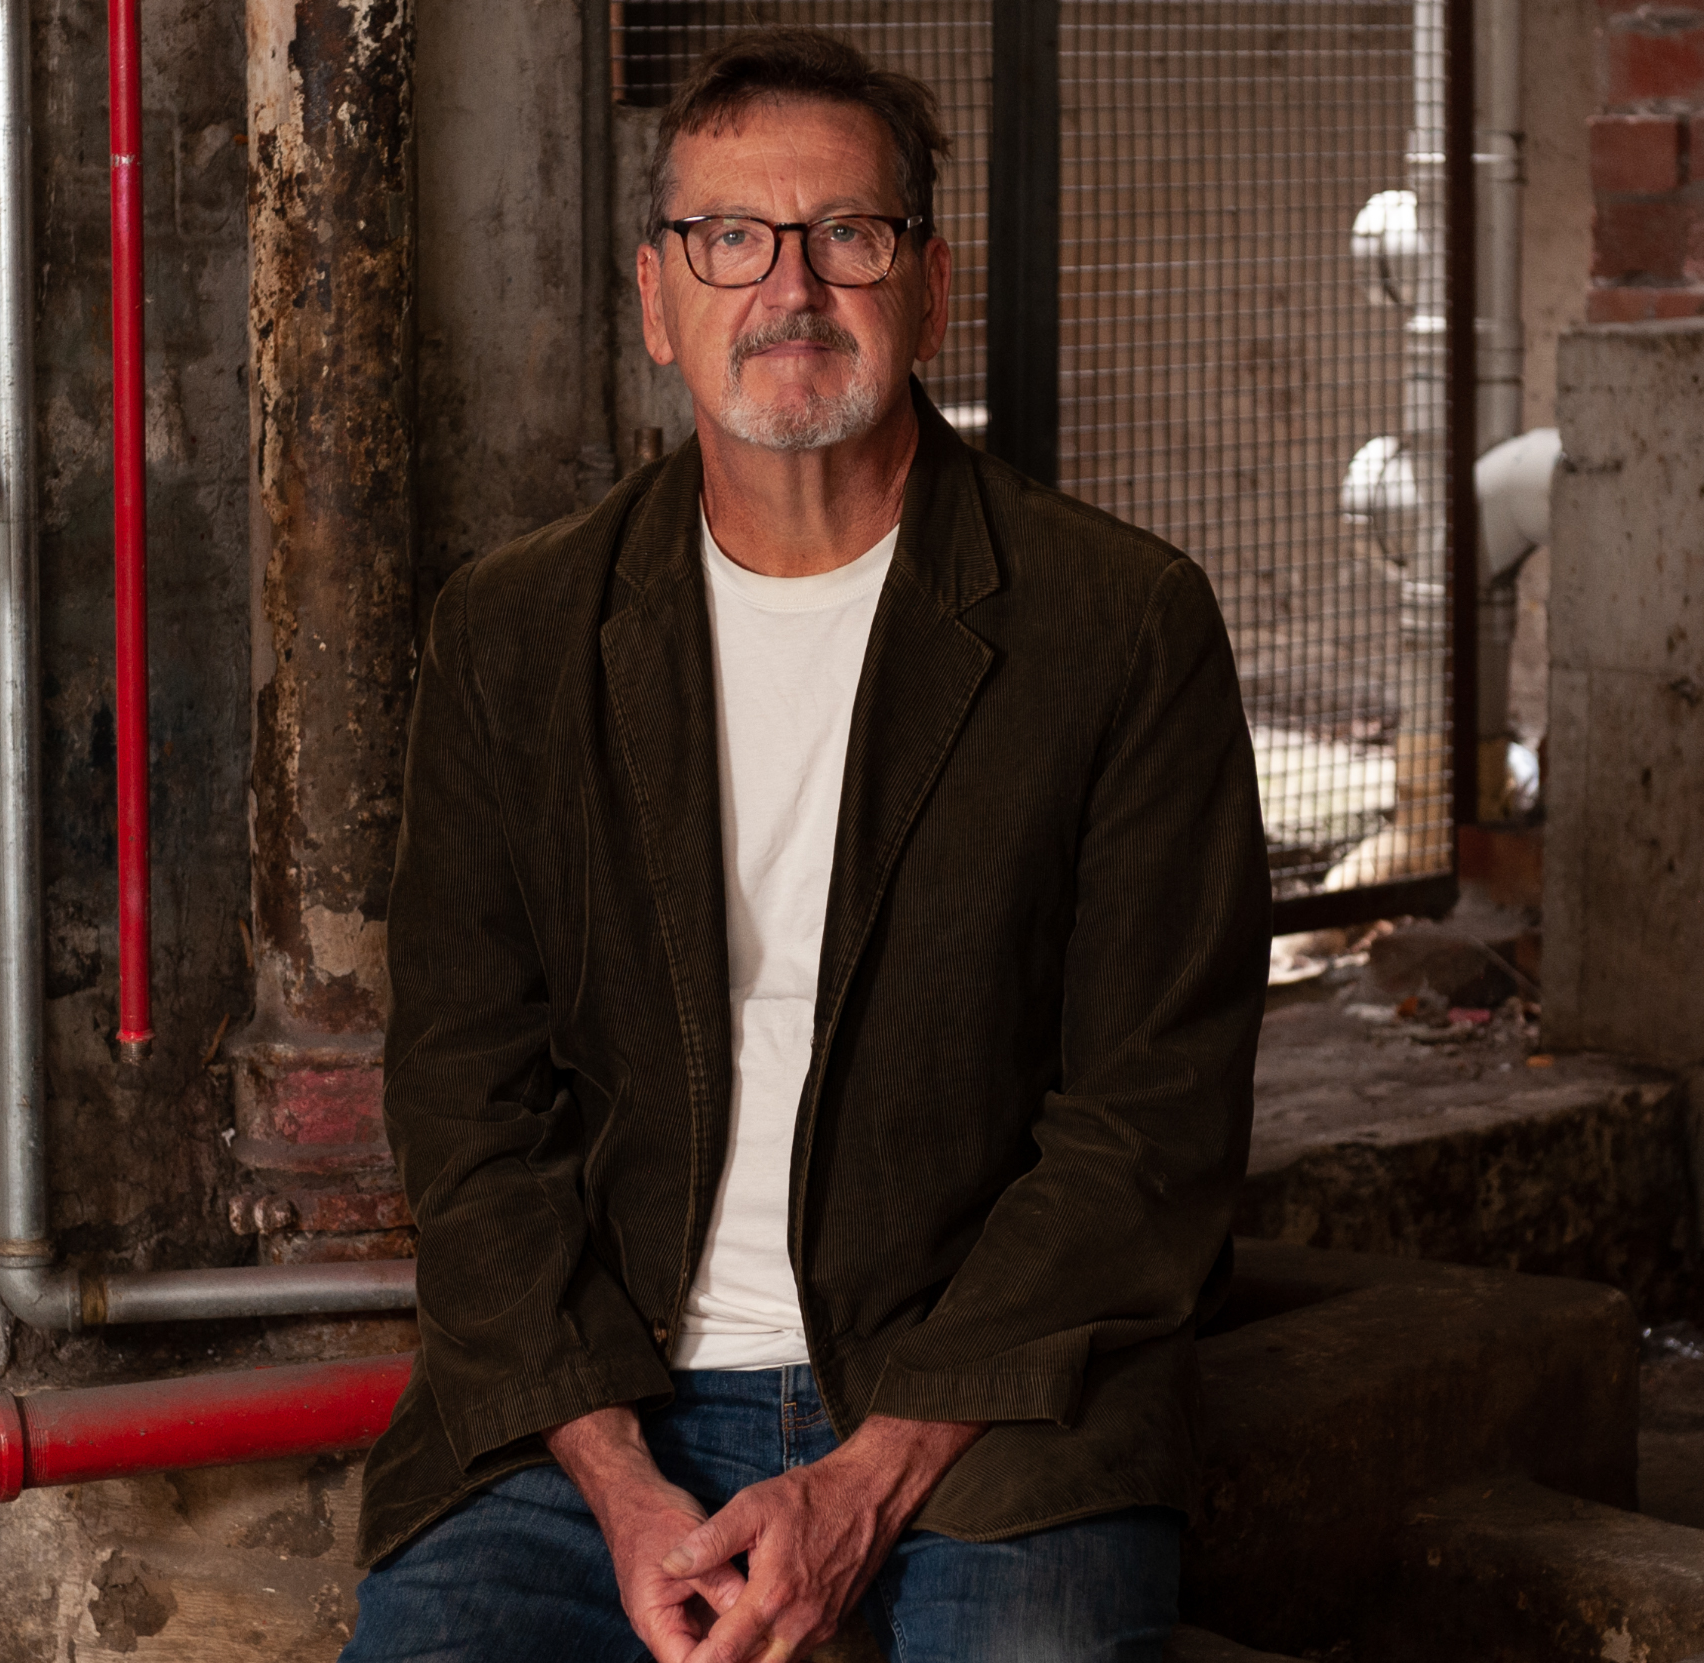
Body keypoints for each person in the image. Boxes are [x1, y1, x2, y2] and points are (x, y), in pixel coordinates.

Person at [341, 27, 1269, 1663]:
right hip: (594, 1405)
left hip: (984, 1401)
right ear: (656, 299)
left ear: (930, 286)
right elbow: (468, 1103)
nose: (790, 287)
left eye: (848, 233)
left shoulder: (1120, 625)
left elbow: (1151, 1117)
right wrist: (618, 1478)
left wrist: (870, 1474)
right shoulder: (515, 634)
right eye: (730, 238)